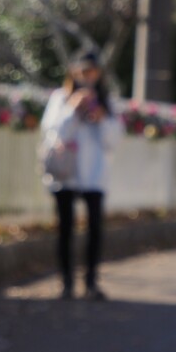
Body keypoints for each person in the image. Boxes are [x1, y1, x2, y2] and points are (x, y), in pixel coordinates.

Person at [40, 51, 121, 300]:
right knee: (66, 229)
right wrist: (72, 109)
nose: (88, 76)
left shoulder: (108, 101)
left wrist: (102, 117)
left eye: (92, 70)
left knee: (95, 228)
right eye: (83, 70)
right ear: (74, 72)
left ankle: (91, 283)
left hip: (94, 174)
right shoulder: (60, 98)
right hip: (66, 173)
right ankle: (66, 283)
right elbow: (54, 133)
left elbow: (113, 141)